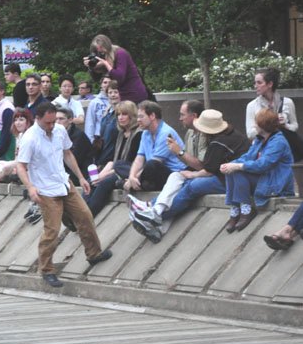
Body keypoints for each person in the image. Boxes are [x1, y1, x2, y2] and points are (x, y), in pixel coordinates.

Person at [16, 101, 112, 288]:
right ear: (37, 119)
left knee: (85, 216)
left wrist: (81, 177)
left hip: (64, 183)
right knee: (52, 230)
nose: (52, 126)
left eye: (54, 122)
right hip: (44, 189)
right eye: (48, 123)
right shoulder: (30, 138)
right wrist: (30, 187)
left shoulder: (60, 131)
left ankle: (94, 253)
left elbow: (68, 154)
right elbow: (21, 166)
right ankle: (46, 269)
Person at [130, 109, 250, 242]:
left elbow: (207, 170)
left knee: (192, 186)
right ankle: (155, 214)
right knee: (182, 182)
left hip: (231, 179)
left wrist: (191, 173)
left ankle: (155, 214)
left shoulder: (218, 142)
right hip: (224, 174)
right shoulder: (228, 134)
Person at [221, 108, 294, 232]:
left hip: (275, 183)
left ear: (263, 125)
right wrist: (231, 164)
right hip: (264, 178)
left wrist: (238, 166)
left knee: (238, 171)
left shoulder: (278, 142)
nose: (254, 125)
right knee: (231, 170)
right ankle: (235, 209)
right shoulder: (260, 139)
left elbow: (263, 164)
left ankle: (246, 210)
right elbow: (248, 157)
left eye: (256, 122)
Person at [84, 100, 142, 217]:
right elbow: (114, 159)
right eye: (118, 115)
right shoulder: (121, 134)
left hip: (129, 171)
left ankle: (88, 215)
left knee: (105, 182)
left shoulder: (138, 134)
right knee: (92, 180)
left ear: (132, 115)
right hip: (117, 167)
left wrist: (105, 175)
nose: (120, 118)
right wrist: (101, 174)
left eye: (124, 114)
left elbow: (131, 162)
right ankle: (80, 212)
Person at [124, 101, 186, 192]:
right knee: (119, 165)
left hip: (173, 174)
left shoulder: (166, 133)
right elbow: (139, 158)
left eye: (141, 116)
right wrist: (131, 176)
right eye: (137, 117)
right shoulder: (145, 133)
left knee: (151, 165)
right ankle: (141, 184)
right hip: (151, 173)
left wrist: (132, 179)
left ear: (152, 116)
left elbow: (156, 162)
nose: (138, 120)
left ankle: (133, 184)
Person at [84, 34, 148, 104]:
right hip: (120, 96)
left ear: (106, 45)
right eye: (97, 50)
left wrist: (106, 64)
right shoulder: (106, 56)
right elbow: (96, 78)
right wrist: (91, 66)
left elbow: (119, 77)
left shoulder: (120, 53)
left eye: (101, 48)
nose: (100, 52)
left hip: (134, 94)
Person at [245, 67, 298, 140]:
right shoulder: (252, 105)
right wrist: (263, 126)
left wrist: (285, 125)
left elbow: (295, 126)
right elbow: (250, 134)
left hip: (284, 146)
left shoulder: (287, 102)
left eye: (259, 83)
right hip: (264, 148)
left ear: (270, 84)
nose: (255, 86)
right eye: (255, 83)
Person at [0, 107, 33, 184]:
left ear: (28, 122)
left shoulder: (30, 136)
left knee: (5, 167)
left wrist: (17, 166)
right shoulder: (19, 136)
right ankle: (6, 177)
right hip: (17, 163)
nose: (18, 123)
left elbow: (26, 159)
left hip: (27, 165)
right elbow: (16, 155)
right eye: (16, 120)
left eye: (21, 120)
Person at [94, 80, 121, 168]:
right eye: (110, 92)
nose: (113, 95)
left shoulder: (123, 114)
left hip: (115, 158)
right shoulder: (107, 113)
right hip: (103, 155)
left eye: (116, 92)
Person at [84, 76, 111, 143]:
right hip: (99, 137)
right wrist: (90, 141)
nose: (107, 84)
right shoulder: (94, 102)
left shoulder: (117, 101)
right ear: (101, 85)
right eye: (105, 82)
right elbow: (90, 123)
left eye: (110, 82)